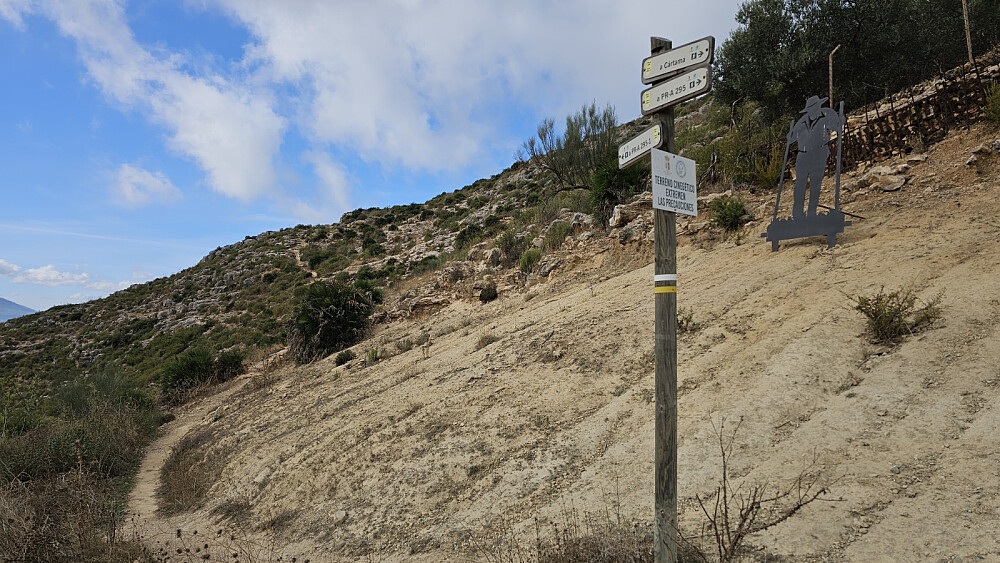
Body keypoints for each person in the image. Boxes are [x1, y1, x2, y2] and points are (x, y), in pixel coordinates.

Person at [788, 95, 843, 219]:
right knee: (800, 185)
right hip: (803, 155)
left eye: (816, 107)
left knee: (815, 184)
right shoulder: (802, 121)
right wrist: (793, 132)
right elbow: (790, 139)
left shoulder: (825, 117)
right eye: (812, 108)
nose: (815, 110)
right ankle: (798, 215)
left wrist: (840, 121)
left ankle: (811, 213)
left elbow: (836, 126)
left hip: (818, 154)